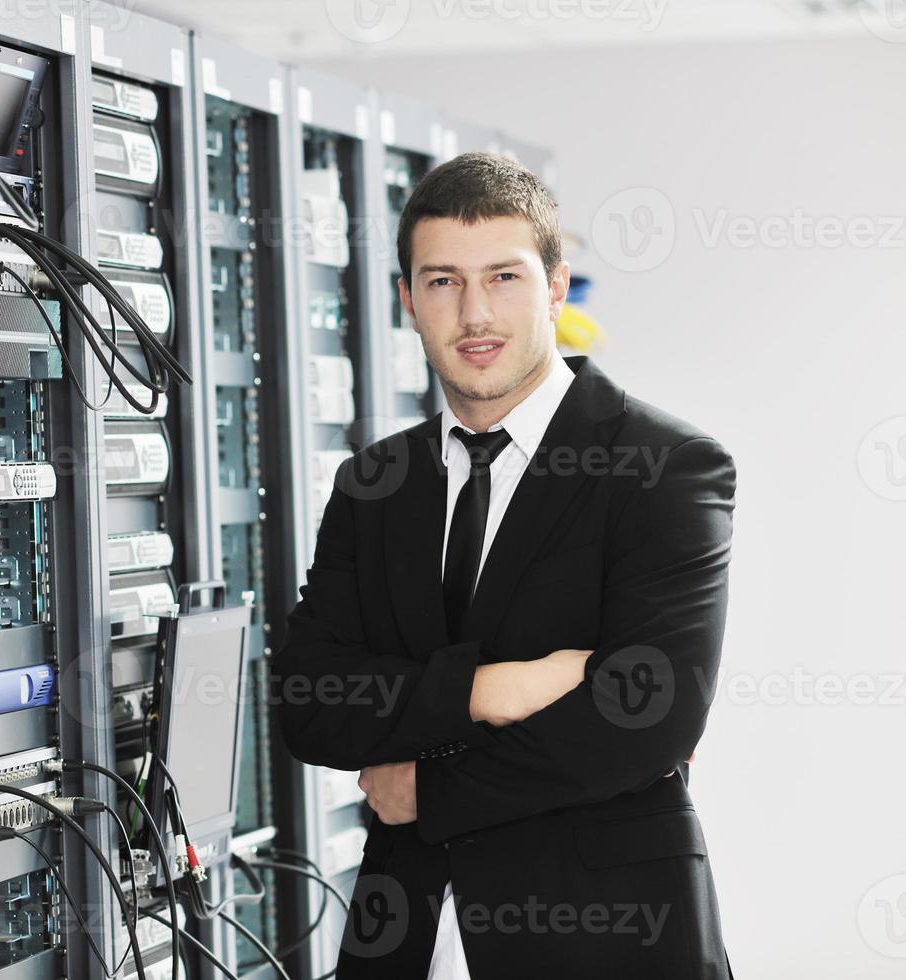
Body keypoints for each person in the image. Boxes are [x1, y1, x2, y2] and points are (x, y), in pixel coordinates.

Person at [274, 151, 736, 979]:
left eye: (505, 277)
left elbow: (649, 717)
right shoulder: (375, 485)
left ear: (555, 287)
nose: (476, 313)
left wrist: (429, 790)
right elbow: (309, 702)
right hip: (404, 937)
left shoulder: (664, 466)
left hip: (605, 941)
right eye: (444, 281)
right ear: (408, 301)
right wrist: (500, 689)